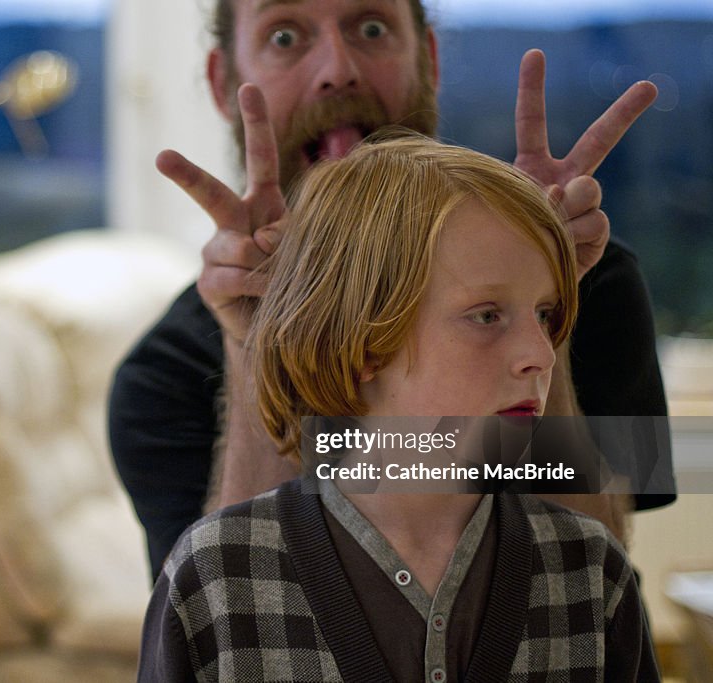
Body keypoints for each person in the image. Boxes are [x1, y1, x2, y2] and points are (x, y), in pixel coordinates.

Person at [109, 0, 674, 580]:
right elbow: (226, 627)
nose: (338, 68)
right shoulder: (162, 375)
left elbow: (589, 598)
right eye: (285, 37)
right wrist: (260, 339)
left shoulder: (598, 279)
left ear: (426, 60)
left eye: (372, 28)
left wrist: (537, 280)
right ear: (223, 81)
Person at [137, 136, 659, 682]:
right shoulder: (215, 577)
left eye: (546, 314)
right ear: (362, 343)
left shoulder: (591, 570)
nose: (538, 353)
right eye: (486, 316)